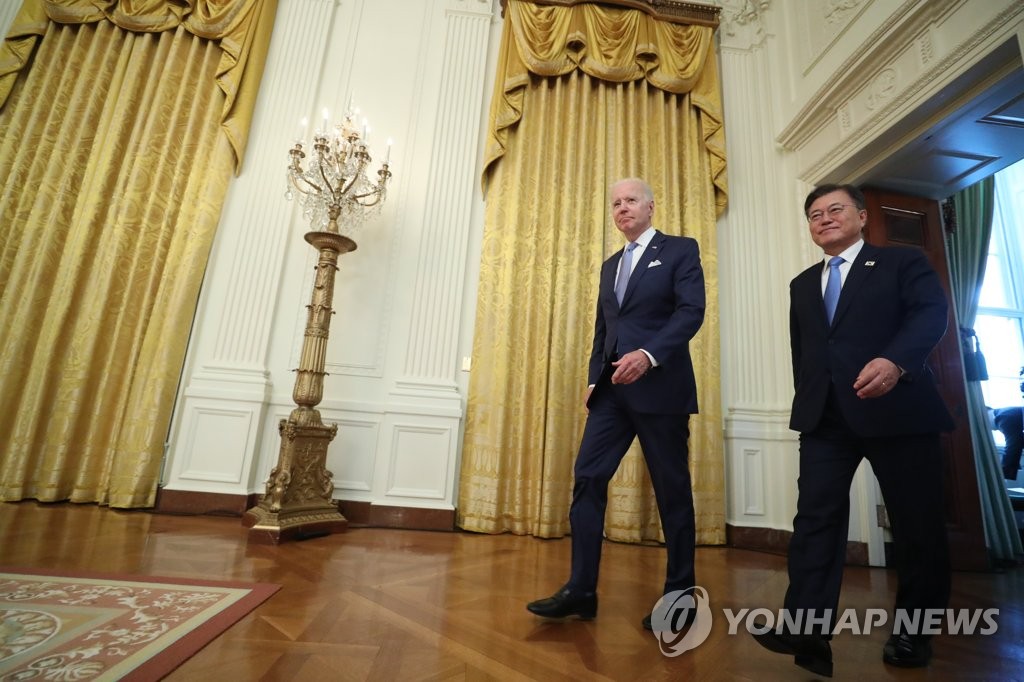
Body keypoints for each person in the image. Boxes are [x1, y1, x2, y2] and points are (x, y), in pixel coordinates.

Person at [751, 184, 953, 677]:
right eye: (814, 214)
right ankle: (806, 629)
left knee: (916, 526)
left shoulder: (901, 264)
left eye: (835, 209)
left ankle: (913, 633)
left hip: (898, 413)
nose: (823, 219)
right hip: (826, 421)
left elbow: (932, 315)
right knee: (815, 522)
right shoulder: (802, 284)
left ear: (862, 217)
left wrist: (897, 361)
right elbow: (806, 353)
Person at [526, 178, 705, 630]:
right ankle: (581, 590)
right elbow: (604, 329)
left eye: (630, 201)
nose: (622, 208)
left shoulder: (680, 249)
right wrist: (592, 380)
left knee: (672, 491)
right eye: (615, 203)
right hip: (611, 393)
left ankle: (680, 597)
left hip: (661, 388)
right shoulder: (611, 265)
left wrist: (648, 356)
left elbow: (691, 312)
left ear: (650, 205)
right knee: (588, 477)